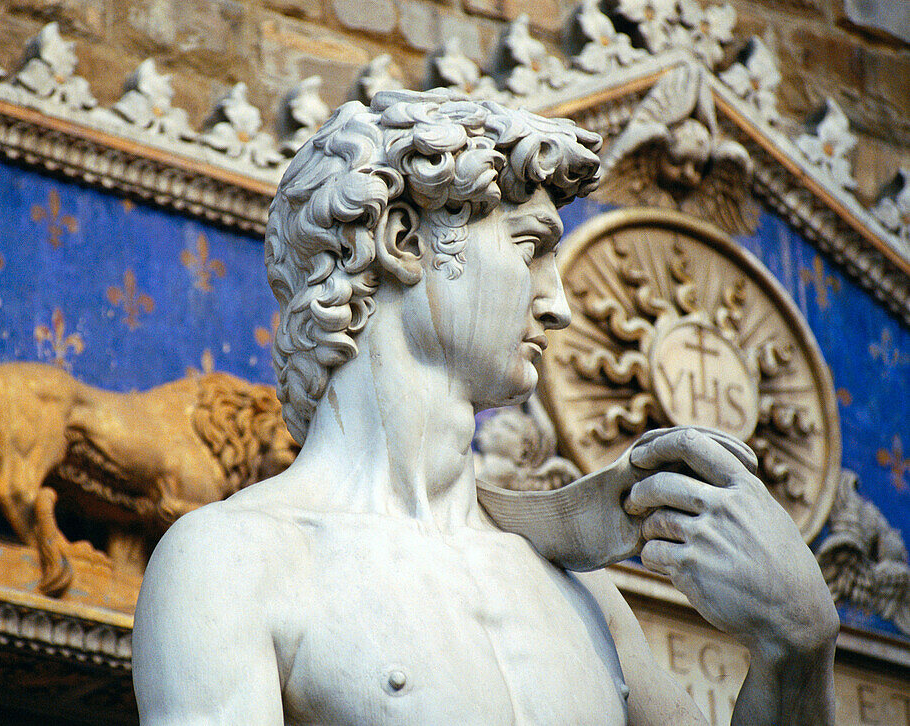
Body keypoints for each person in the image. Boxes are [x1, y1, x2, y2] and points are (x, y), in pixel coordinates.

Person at [133, 90, 838, 725]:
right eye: (531, 248)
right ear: (403, 241)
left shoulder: (582, 598)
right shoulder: (235, 562)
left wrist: (797, 648)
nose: (558, 305)